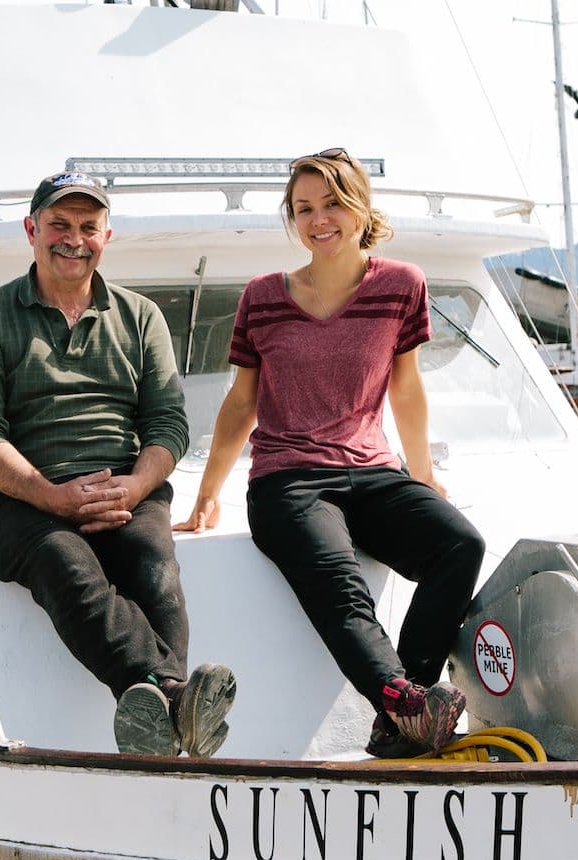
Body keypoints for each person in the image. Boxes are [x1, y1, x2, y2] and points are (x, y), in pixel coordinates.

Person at [175, 148, 484, 757]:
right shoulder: (263, 296)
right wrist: (208, 494)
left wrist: (422, 475)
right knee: (342, 586)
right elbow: (241, 402)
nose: (319, 220)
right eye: (303, 208)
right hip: (287, 480)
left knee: (460, 545)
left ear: (359, 207)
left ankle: (403, 714)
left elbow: (406, 386)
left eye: (333, 204)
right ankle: (406, 705)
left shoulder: (401, 285)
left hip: (372, 472)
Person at [0, 170, 236, 757]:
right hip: (18, 503)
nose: (73, 239)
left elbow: (168, 424)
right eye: (59, 224)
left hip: (125, 485)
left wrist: (134, 487)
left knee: (153, 559)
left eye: (88, 226)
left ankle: (160, 715)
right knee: (64, 559)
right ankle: (175, 696)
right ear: (31, 230)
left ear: (107, 235)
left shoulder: (141, 315)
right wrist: (51, 496)